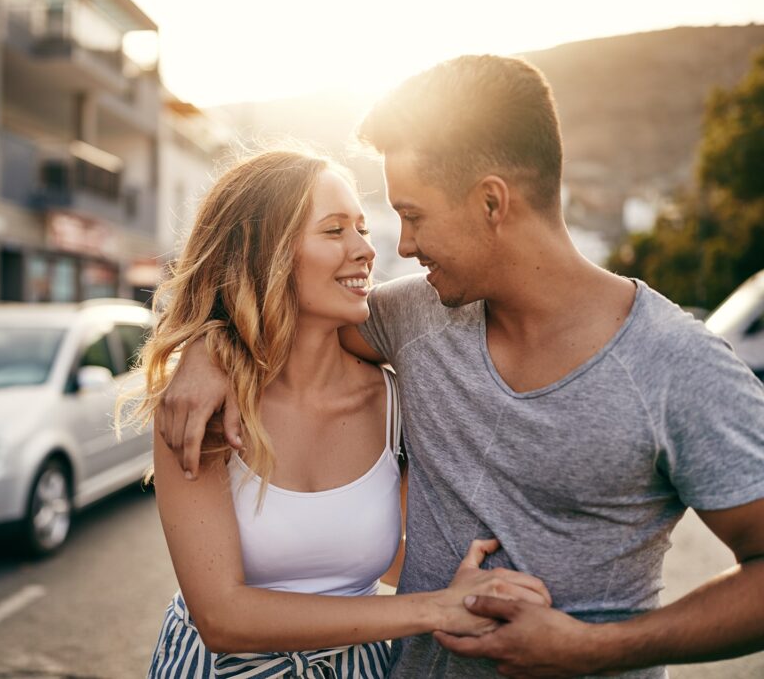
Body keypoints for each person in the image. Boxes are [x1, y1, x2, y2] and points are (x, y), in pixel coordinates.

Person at [156, 56, 764, 678]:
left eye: (413, 216)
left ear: (491, 203)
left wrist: (595, 649)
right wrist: (204, 349)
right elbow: (273, 309)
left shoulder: (676, 366)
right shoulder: (415, 316)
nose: (402, 245)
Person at [119, 149, 552, 678]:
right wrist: (434, 609)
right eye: (334, 231)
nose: (366, 250)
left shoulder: (393, 402)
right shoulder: (199, 408)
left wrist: (461, 585)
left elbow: (374, 554)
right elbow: (222, 617)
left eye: (363, 228)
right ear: (265, 253)